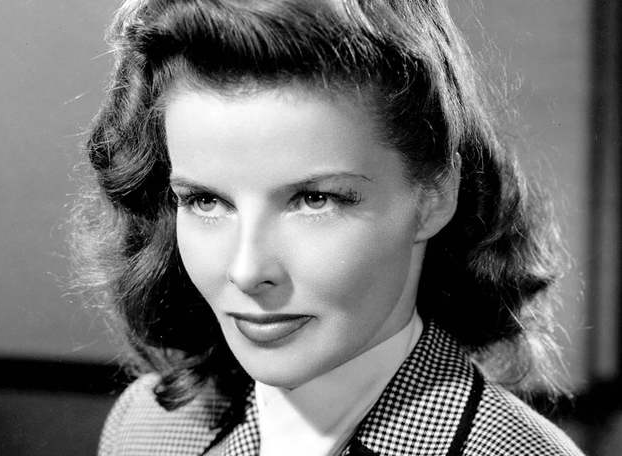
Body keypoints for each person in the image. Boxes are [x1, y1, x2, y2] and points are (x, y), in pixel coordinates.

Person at [71, 0, 585, 454]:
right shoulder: (147, 427)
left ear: (434, 196)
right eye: (205, 201)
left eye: (314, 199)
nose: (247, 271)